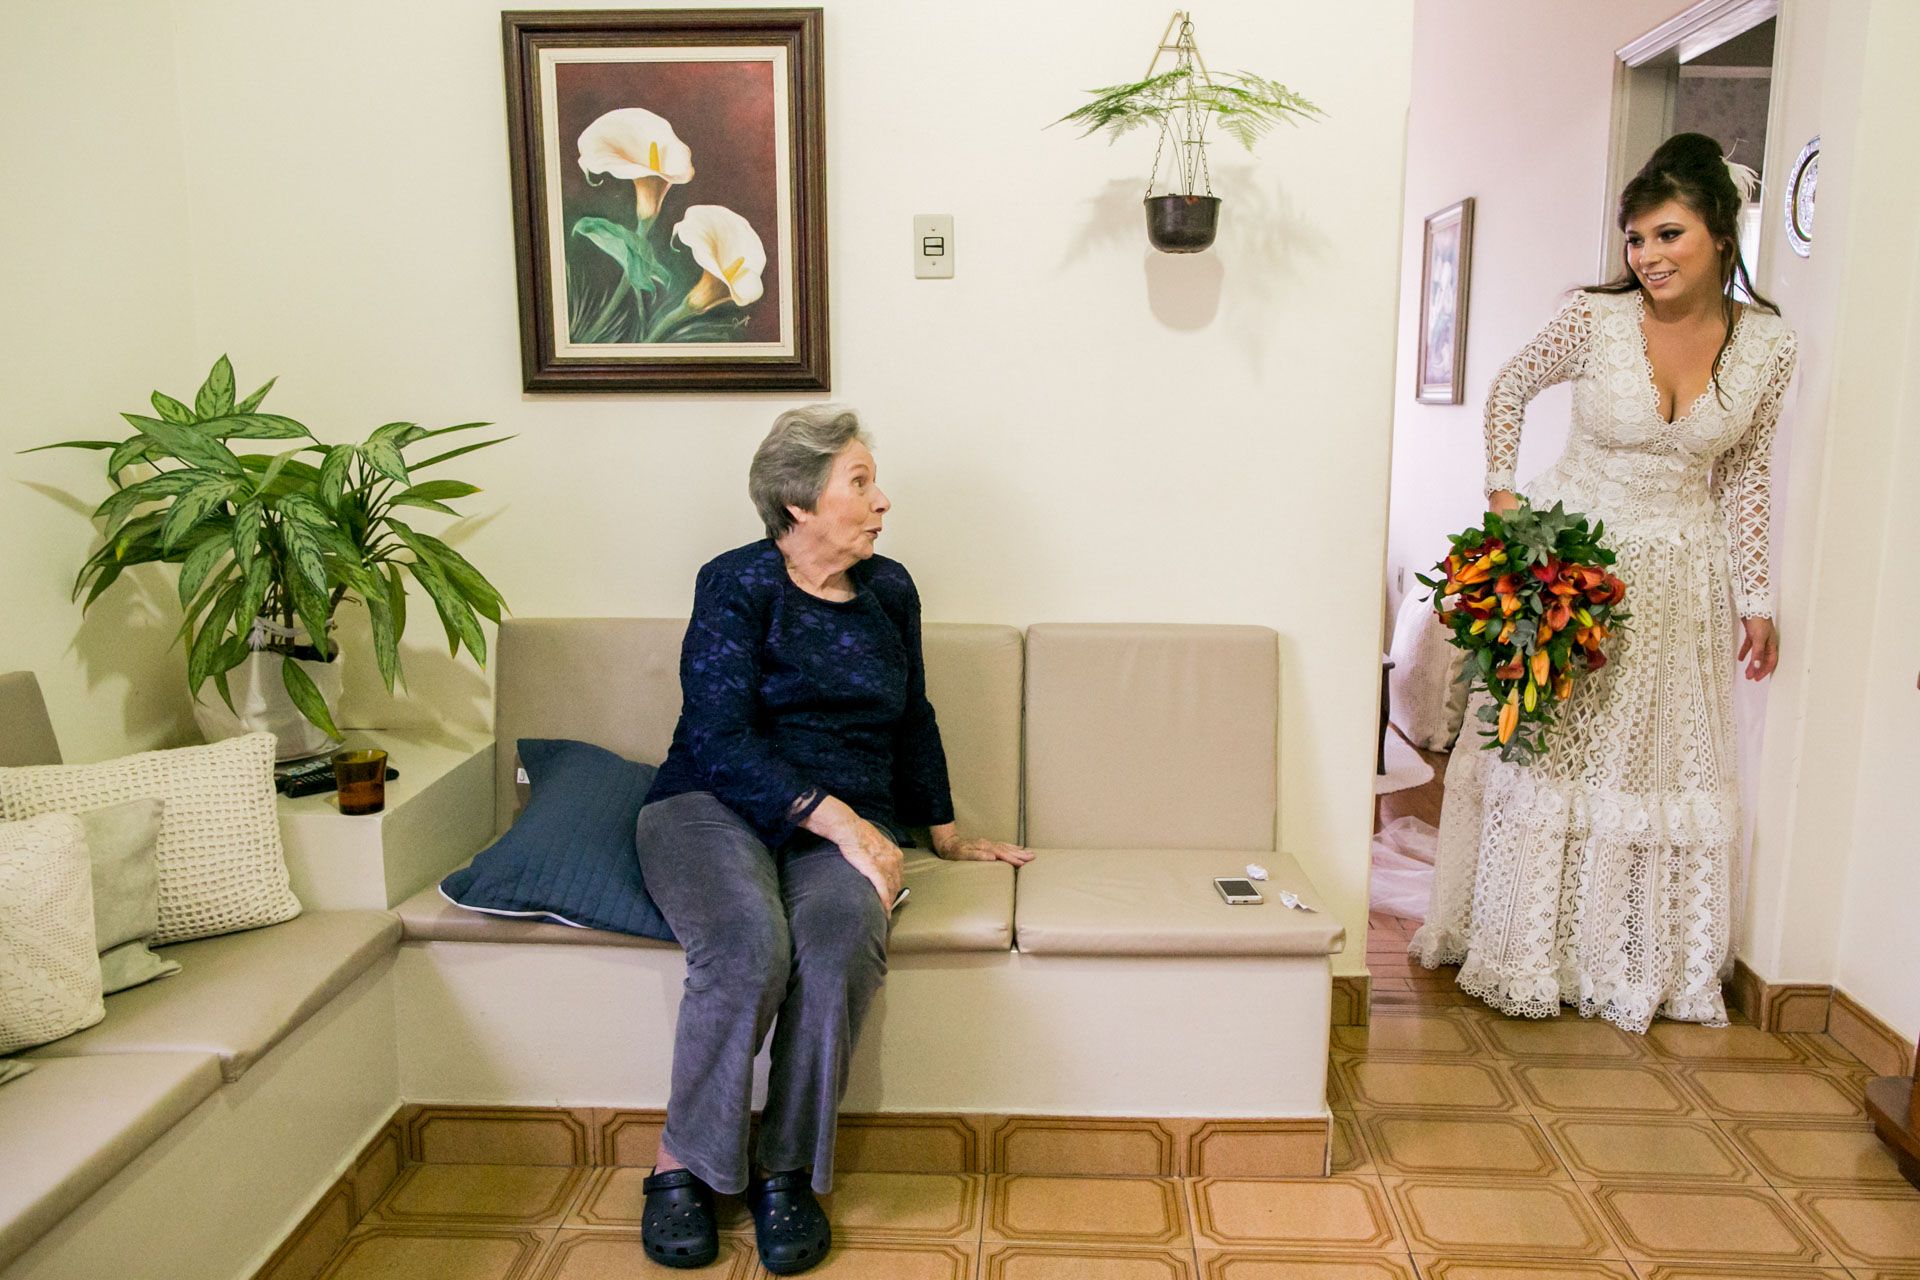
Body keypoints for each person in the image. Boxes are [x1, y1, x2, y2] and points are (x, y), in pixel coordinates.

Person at [1411, 133, 1798, 1033]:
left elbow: (1745, 477)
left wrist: (1758, 601)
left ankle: (1619, 961)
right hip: (1570, 568)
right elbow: (1507, 389)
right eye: (1635, 240)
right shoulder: (1594, 319)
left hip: (1681, 585)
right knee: (1544, 756)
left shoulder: (1770, 347)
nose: (1648, 258)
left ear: (1719, 234)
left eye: (1668, 235)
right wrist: (1508, 508)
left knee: (1650, 771)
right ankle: (1517, 946)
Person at [634, 404, 1031, 1274]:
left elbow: (913, 713)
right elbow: (719, 735)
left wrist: (947, 835)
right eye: (860, 481)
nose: (882, 500)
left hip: (843, 826)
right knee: (746, 941)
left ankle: (784, 1171)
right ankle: (685, 1165)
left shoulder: (890, 589)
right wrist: (842, 820)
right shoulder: (736, 582)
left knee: (840, 938)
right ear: (797, 502)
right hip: (710, 805)